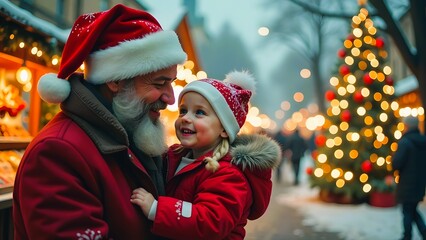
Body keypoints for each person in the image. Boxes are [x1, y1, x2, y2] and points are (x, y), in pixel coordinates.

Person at [13, 4, 187, 239]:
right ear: (115, 81)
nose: (170, 98)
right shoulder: (57, 153)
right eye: (158, 84)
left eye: (171, 83)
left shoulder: (133, 136)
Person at [130, 71, 281, 239]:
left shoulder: (228, 174)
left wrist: (157, 209)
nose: (186, 118)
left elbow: (211, 221)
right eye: (183, 110)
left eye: (199, 112)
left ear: (224, 129)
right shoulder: (173, 156)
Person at [392, 116, 426, 240]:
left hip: (407, 183)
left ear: (406, 126)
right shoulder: (423, 141)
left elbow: (396, 163)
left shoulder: (405, 142)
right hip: (420, 183)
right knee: (412, 209)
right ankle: (423, 232)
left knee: (407, 211)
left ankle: (407, 236)